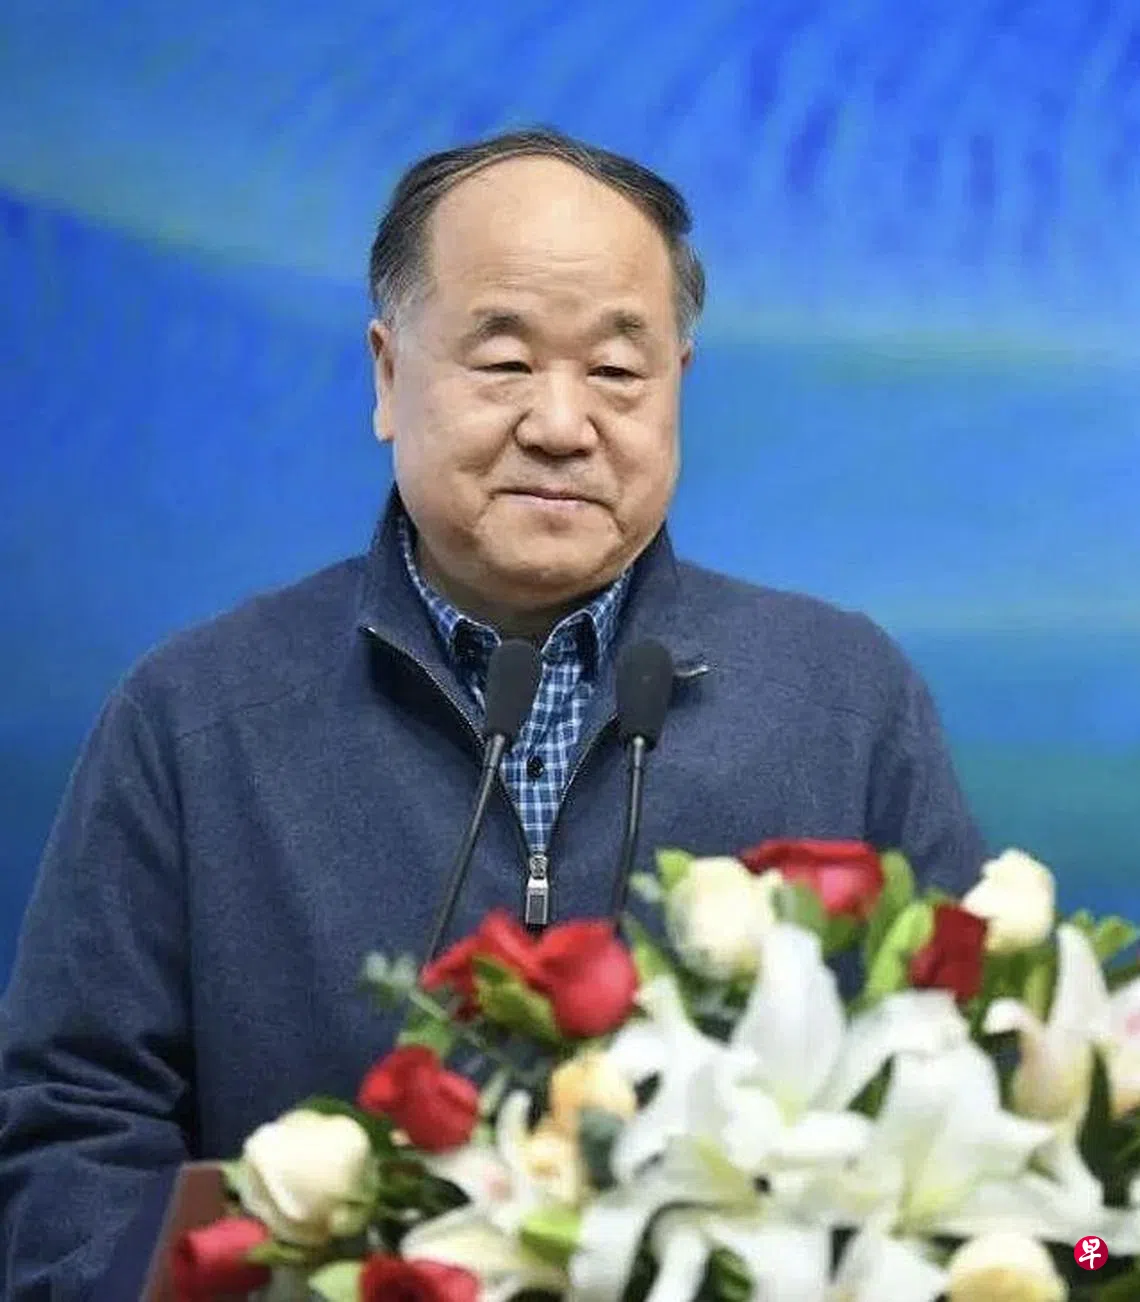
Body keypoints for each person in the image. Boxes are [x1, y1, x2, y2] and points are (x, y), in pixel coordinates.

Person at [0, 127, 986, 1299]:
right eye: (506, 361)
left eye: (616, 371)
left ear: (678, 382)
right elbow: (73, 1130)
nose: (562, 424)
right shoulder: (197, 718)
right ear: (386, 376)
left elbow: (994, 1113)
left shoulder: (841, 700)